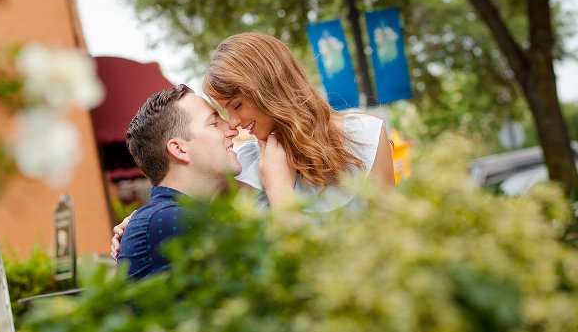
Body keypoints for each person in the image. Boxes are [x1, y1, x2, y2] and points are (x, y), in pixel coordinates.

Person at [111, 32, 394, 259]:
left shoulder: (365, 135)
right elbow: (185, 200)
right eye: (224, 112)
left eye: (236, 105)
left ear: (271, 89)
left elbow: (392, 231)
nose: (233, 123)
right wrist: (136, 223)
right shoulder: (245, 163)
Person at [116, 84, 242, 279]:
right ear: (179, 149)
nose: (232, 129)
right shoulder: (171, 220)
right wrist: (278, 184)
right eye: (214, 123)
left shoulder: (163, 217)